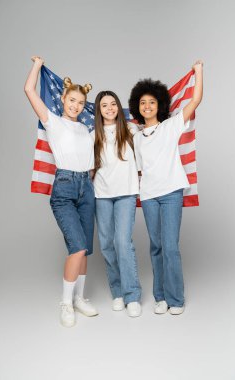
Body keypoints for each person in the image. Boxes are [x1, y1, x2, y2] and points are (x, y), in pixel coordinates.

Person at [24, 56, 98, 327]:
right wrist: (37, 65)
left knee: (86, 249)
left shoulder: (86, 129)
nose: (76, 106)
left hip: (86, 187)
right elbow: (29, 91)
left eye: (80, 103)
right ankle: (66, 303)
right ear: (63, 99)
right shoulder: (53, 121)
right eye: (72, 100)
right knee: (77, 247)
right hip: (65, 188)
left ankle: (80, 298)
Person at [128, 61, 203, 315]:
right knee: (156, 246)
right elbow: (134, 168)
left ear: (160, 104)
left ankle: (176, 299)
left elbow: (195, 101)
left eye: (151, 102)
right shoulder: (137, 138)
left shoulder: (171, 126)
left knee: (170, 246)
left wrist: (199, 72)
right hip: (148, 196)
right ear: (137, 107)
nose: (147, 106)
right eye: (142, 103)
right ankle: (160, 296)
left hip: (171, 193)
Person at [93, 91, 142, 317]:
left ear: (118, 107)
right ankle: (117, 292)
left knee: (123, 241)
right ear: (99, 110)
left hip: (126, 193)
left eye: (113, 104)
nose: (110, 108)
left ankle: (132, 295)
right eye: (105, 105)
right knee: (106, 244)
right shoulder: (93, 134)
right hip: (101, 194)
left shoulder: (131, 130)